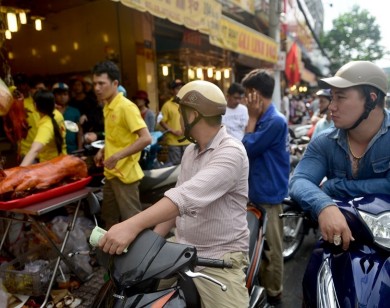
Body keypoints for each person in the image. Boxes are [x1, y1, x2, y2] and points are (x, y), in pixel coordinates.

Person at [98, 80, 250, 307]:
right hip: (181, 248)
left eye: (181, 112)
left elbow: (184, 198)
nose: (178, 117)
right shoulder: (191, 150)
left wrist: (132, 225)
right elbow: (175, 204)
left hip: (218, 257)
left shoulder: (231, 153)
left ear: (193, 115)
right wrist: (152, 244)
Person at [289, 60, 390, 251]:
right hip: (339, 244)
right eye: (332, 98)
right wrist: (324, 206)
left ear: (371, 99)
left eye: (340, 98)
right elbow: (299, 180)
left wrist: (335, 186)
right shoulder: (325, 141)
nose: (331, 107)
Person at [241, 69, 290, 306]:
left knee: (271, 251)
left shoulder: (273, 121)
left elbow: (246, 149)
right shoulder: (265, 119)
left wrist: (249, 119)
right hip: (257, 194)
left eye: (247, 95)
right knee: (258, 250)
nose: (244, 101)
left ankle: (274, 295)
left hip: (269, 196)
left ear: (255, 94)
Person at [92, 60, 152, 229]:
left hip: (126, 175)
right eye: (95, 83)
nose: (97, 88)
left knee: (132, 222)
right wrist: (104, 149)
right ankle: (114, 254)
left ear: (115, 84)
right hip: (111, 173)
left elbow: (146, 138)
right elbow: (117, 137)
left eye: (101, 83)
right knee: (109, 219)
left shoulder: (126, 107)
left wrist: (117, 155)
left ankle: (140, 255)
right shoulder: (108, 106)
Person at [20, 89, 67, 166]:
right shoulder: (58, 115)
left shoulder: (46, 126)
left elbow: (34, 150)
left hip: (51, 167)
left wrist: (19, 171)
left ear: (35, 106)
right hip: (62, 162)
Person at [159, 79, 190, 165]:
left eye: (182, 88)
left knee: (188, 165)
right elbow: (161, 121)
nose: (180, 90)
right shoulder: (167, 105)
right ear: (172, 91)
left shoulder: (188, 104)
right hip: (173, 142)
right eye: (177, 88)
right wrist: (173, 131)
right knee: (174, 165)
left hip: (188, 140)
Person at [13, 73, 40, 161]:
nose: (21, 87)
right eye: (18, 84)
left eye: (23, 84)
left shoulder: (37, 100)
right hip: (26, 151)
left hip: (42, 148)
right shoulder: (13, 103)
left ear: (28, 85)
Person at [53, 82, 83, 154]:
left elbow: (79, 132)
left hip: (72, 149)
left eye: (65, 94)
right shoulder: (50, 112)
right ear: (54, 96)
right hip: (54, 151)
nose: (62, 97)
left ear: (69, 96)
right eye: (59, 94)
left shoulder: (74, 111)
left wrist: (80, 149)